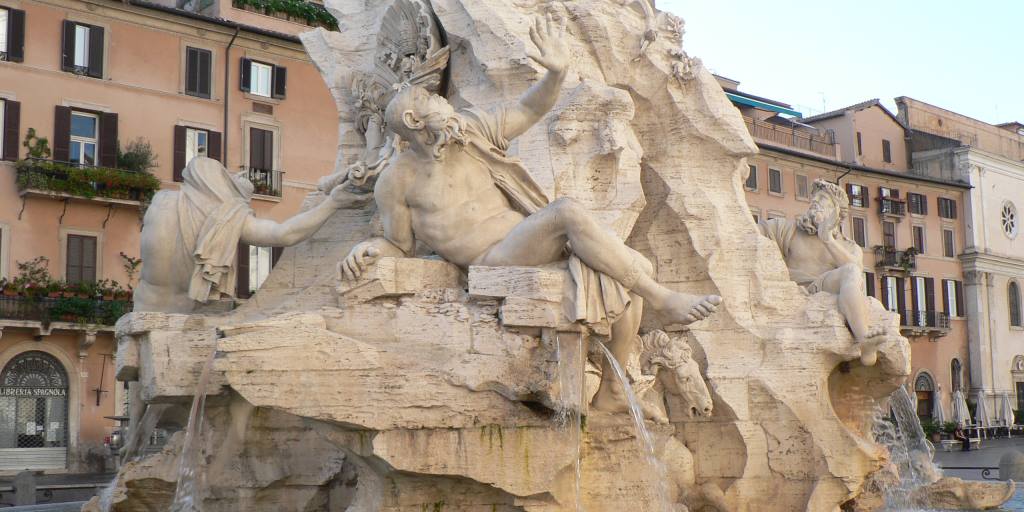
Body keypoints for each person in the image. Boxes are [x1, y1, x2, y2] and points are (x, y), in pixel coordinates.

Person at [339, 15, 721, 412]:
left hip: (525, 242)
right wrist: (371, 247)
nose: (441, 99)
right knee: (567, 212)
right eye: (430, 99)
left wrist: (556, 74)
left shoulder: (471, 131)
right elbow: (399, 244)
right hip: (492, 260)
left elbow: (529, 108)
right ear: (415, 121)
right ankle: (663, 299)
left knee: (632, 266)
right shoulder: (396, 182)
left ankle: (611, 388)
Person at [135, 154, 370, 313]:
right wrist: (333, 203)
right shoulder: (223, 214)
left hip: (142, 308)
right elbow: (284, 235)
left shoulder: (161, 201)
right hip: (180, 316)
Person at [759, 179, 890, 366]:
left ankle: (864, 340)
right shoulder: (787, 229)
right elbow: (749, 232)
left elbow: (856, 275)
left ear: (835, 211)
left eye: (821, 198)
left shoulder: (849, 247)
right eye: (813, 198)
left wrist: (828, 239)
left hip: (824, 287)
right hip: (793, 292)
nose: (814, 201)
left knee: (850, 270)